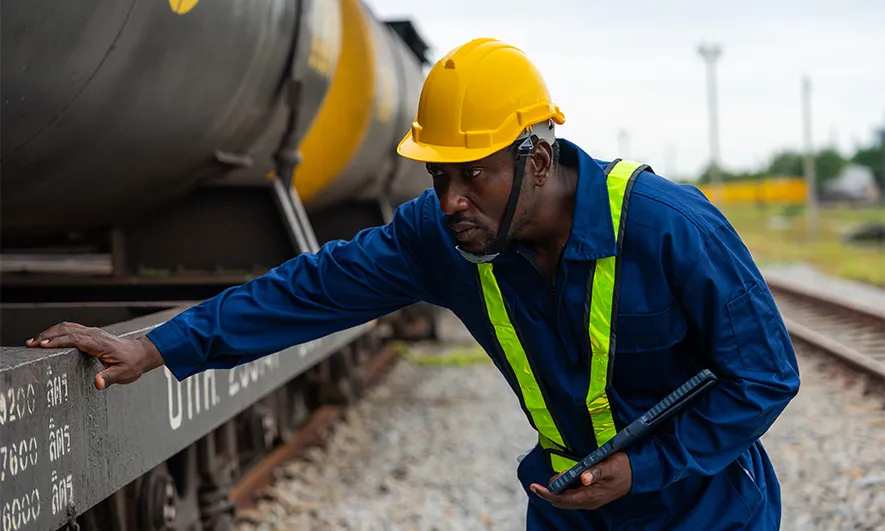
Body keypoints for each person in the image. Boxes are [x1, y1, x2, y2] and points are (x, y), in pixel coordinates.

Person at [27, 38, 800, 529]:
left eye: (474, 175)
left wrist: (648, 466)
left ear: (535, 159)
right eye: (438, 176)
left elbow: (764, 373)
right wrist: (158, 346)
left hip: (707, 508)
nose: (451, 199)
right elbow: (309, 289)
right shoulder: (443, 236)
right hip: (573, 510)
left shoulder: (668, 226)